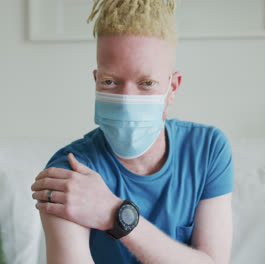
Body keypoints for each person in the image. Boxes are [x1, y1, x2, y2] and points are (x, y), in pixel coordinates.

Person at [31, 0, 234, 263]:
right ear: (96, 81)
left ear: (172, 87)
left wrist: (116, 213)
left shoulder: (207, 151)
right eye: (110, 82)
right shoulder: (70, 172)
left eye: (146, 83)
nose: (127, 102)